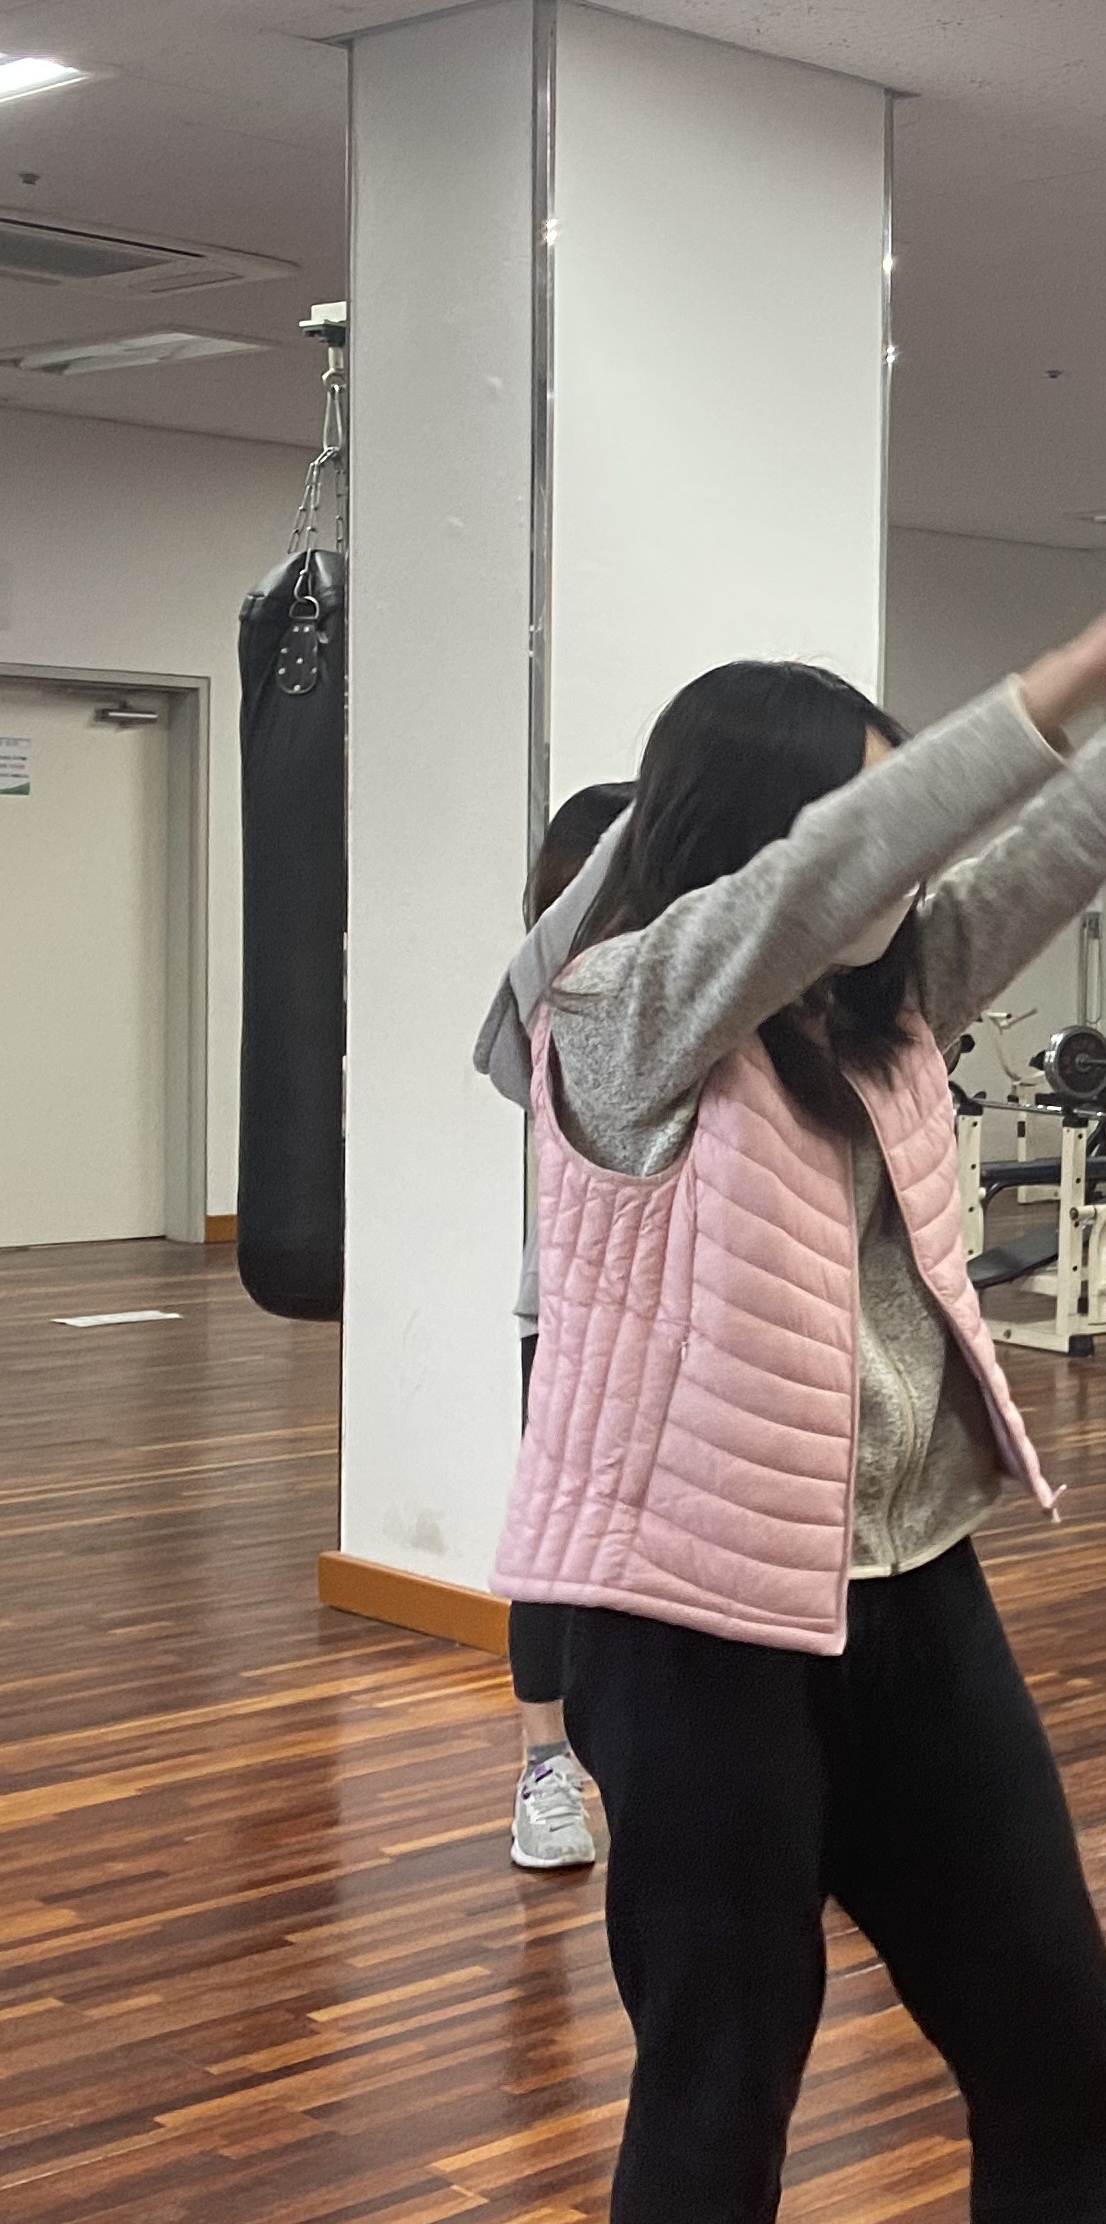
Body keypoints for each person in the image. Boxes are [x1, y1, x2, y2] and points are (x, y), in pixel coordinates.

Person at [497, 585, 1106, 2224]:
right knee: (726, 2062)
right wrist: (1071, 673)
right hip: (690, 1619)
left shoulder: (881, 1010)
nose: (897, 873)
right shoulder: (622, 1010)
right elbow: (841, 867)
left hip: (909, 1590)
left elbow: (1008, 871)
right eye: (859, 818)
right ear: (760, 835)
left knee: (1059, 2039)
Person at [474, 777, 637, 1871]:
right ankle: (544, 1769)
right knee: (559, 1540)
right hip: (573, 1310)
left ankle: (647, 1761)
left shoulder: (698, 990)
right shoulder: (554, 1004)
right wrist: (657, 814)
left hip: (690, 1315)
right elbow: (532, 975)